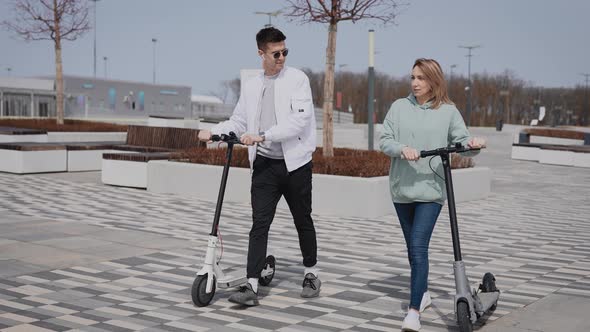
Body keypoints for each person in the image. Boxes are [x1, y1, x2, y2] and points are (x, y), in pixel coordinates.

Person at [198, 27, 320, 306]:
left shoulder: (298, 80)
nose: (282, 58)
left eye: (285, 52)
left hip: (295, 164)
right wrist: (214, 131)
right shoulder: (252, 85)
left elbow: (299, 122)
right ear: (261, 53)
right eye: (276, 53)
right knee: (259, 224)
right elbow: (239, 120)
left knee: (303, 220)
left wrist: (263, 135)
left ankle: (311, 272)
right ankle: (251, 284)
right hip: (264, 165)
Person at [379, 58, 486, 331]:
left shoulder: (448, 111)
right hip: (402, 189)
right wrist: (402, 148)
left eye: (421, 78)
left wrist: (473, 144)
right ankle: (423, 293)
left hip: (431, 190)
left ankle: (413, 312)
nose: (415, 83)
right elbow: (385, 140)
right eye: (413, 77)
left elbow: (463, 144)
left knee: (418, 246)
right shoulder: (399, 107)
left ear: (434, 81)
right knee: (413, 253)